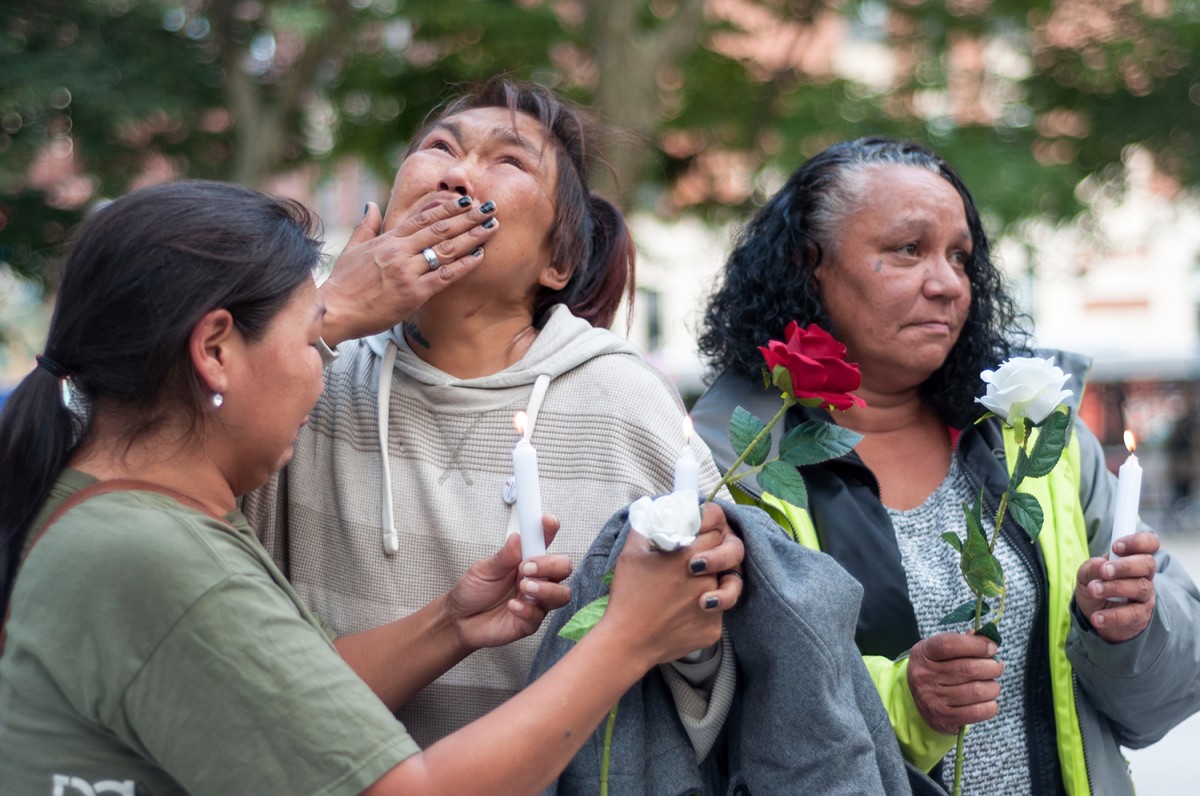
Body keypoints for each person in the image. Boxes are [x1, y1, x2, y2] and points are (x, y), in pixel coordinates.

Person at [0, 180, 742, 795]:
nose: (319, 369)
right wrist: (628, 638)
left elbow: (285, 707)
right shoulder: (155, 555)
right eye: (311, 339)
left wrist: (450, 624)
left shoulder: (128, 515)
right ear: (216, 350)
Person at [691, 137, 1200, 795]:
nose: (948, 283)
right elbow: (716, 703)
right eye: (908, 249)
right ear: (806, 263)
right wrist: (904, 701)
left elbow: (1165, 692)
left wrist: (1129, 629)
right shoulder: (732, 462)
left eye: (960, 256)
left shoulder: (1034, 430)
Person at [243, 77, 738, 750]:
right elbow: (176, 489)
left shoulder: (624, 396)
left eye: (508, 160)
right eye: (439, 148)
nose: (455, 174)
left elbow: (718, 649)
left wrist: (697, 610)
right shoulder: (312, 374)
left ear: (559, 260)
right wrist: (331, 316)